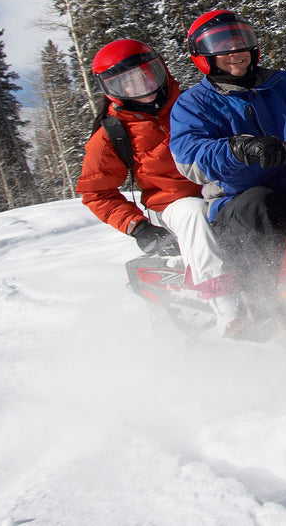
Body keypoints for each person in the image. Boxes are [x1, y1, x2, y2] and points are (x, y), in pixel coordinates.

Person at [168, 10, 286, 326]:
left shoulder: (282, 84)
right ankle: (274, 311)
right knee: (263, 204)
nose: (235, 53)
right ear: (204, 56)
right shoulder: (194, 104)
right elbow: (191, 155)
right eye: (222, 46)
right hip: (237, 201)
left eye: (240, 42)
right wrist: (238, 148)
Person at [76, 38, 244, 336]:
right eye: (125, 83)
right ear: (111, 90)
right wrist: (137, 226)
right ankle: (227, 307)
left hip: (222, 188)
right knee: (193, 212)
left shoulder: (192, 101)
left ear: (160, 68)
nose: (140, 86)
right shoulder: (112, 133)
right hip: (172, 205)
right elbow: (96, 191)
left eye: (146, 73)